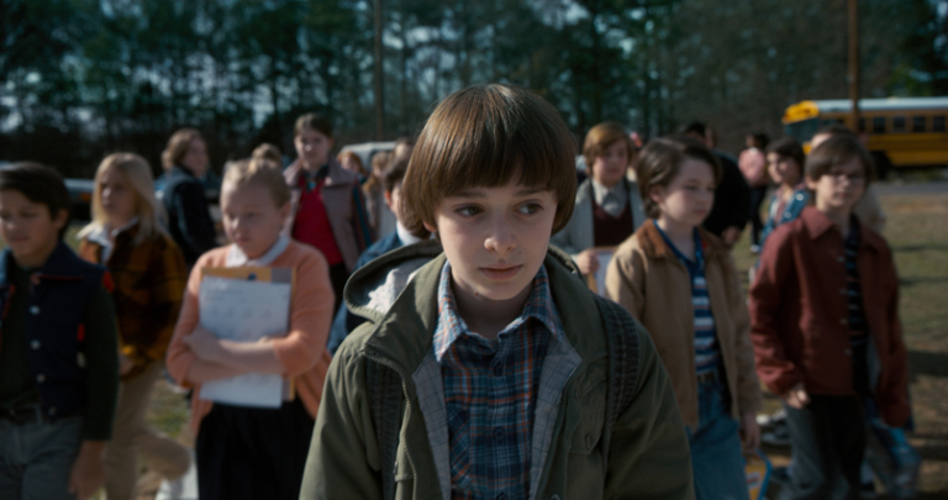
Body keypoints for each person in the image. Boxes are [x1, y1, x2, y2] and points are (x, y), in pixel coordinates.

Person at [300, 84, 693, 499]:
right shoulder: (367, 364)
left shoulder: (621, 352)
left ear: (559, 208)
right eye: (471, 209)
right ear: (430, 214)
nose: (501, 241)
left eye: (528, 207)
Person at [750, 135, 910, 500]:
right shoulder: (790, 239)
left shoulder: (874, 247)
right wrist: (780, 374)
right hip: (807, 381)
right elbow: (759, 312)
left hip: (857, 381)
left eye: (855, 176)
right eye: (836, 174)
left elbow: (889, 325)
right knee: (815, 479)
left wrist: (893, 391)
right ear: (813, 179)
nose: (846, 183)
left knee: (849, 480)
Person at [166, 158, 335, 500]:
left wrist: (214, 350)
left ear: (283, 212)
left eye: (252, 214)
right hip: (221, 424)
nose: (237, 225)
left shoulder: (306, 263)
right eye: (229, 214)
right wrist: (265, 355)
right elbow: (178, 362)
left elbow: (302, 353)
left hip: (290, 423)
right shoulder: (209, 265)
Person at [605, 137, 762, 500]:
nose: (703, 197)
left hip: (718, 406)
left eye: (709, 188)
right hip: (660, 412)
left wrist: (748, 407)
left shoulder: (718, 256)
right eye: (691, 187)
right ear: (656, 192)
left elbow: (739, 336)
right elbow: (620, 350)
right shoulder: (633, 259)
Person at [0, 163, 119, 500]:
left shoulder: (88, 284)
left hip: (58, 436)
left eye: (28, 214)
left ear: (59, 217)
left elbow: (104, 372)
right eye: (4, 215)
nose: (14, 225)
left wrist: (93, 453)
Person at [76, 154, 191, 500]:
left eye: (120, 188)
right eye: (104, 186)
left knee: (120, 435)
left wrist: (134, 354)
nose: (108, 195)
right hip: (97, 354)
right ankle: (178, 462)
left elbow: (171, 312)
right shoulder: (91, 241)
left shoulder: (158, 246)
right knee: (107, 427)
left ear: (140, 193)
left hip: (141, 354)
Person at [326, 157, 423, 355]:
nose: (414, 202)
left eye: (420, 192)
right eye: (404, 194)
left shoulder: (452, 254)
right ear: (389, 199)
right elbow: (344, 336)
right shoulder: (373, 261)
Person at [284, 113, 373, 311]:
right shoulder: (284, 184)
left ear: (329, 142)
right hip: (296, 271)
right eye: (303, 141)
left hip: (338, 272)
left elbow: (362, 231)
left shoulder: (349, 181)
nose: (309, 147)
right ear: (295, 143)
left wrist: (368, 271)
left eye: (317, 140)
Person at [551, 121, 647, 277]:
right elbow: (552, 246)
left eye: (621, 153)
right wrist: (576, 260)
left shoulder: (645, 198)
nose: (615, 160)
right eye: (606, 154)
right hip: (588, 289)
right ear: (590, 157)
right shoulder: (572, 202)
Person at [681, 122, 751, 246]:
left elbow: (742, 195)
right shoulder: (676, 167)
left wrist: (736, 224)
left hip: (718, 231)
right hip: (684, 233)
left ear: (705, 139)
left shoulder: (724, 165)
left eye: (696, 137)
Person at [810, 124, 886, 234]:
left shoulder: (857, 193)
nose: (816, 156)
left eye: (826, 149)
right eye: (814, 150)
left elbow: (874, 220)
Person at [159, 128, 219, 267]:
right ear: (178, 154)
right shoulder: (186, 185)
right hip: (192, 264)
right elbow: (195, 235)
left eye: (204, 152)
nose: (201, 157)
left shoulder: (171, 181)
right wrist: (218, 256)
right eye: (194, 151)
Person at [759, 137, 808, 251]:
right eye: (770, 163)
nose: (774, 168)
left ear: (798, 162)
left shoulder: (808, 196)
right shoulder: (777, 196)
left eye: (781, 161)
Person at [739, 133, 770, 253]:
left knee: (754, 210)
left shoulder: (763, 154)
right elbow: (742, 168)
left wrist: (756, 180)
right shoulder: (745, 154)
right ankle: (764, 231)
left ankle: (756, 241)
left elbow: (764, 169)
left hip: (760, 186)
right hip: (748, 186)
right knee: (753, 212)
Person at [364, 150, 396, 238]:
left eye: (386, 167)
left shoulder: (395, 186)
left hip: (393, 223)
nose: (383, 172)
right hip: (379, 228)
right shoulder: (371, 189)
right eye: (380, 169)